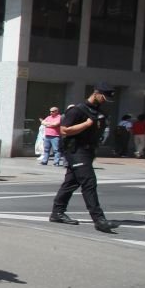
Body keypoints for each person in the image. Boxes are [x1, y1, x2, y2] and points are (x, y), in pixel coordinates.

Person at [49, 84, 121, 233]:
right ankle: (99, 220)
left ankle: (57, 212)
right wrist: (86, 124)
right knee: (89, 182)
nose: (105, 100)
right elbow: (64, 130)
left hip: (88, 151)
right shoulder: (77, 110)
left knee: (71, 182)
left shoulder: (99, 112)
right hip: (76, 151)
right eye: (104, 97)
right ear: (96, 93)